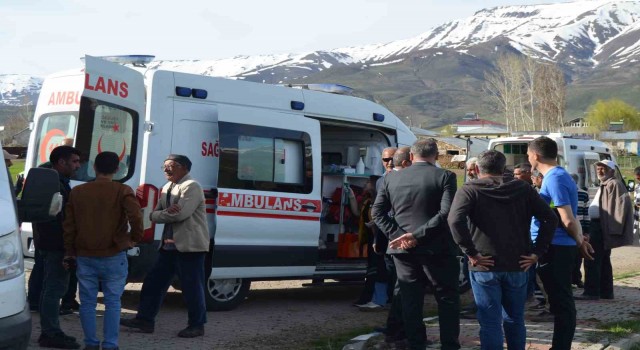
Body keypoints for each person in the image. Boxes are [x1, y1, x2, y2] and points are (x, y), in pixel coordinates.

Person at [448, 150, 557, 349]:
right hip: (518, 262)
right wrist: (537, 252)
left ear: (478, 168)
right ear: (503, 168)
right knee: (515, 319)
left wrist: (471, 252)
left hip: (484, 263)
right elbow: (550, 218)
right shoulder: (523, 189)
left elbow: (454, 220)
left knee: (490, 321)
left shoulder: (469, 189)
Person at [372, 139, 460, 350]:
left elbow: (377, 213)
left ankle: (416, 343)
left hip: (402, 249)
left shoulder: (390, 179)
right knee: (447, 298)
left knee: (411, 299)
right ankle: (449, 345)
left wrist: (399, 235)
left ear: (411, 157)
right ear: (436, 157)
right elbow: (445, 213)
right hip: (436, 246)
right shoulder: (446, 176)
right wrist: (417, 235)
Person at [120, 154, 209, 338]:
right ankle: (144, 320)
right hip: (168, 247)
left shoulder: (192, 186)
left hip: (189, 247)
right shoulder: (167, 187)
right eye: (165, 166)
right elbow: (154, 214)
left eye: (171, 166)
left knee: (192, 288)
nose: (166, 169)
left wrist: (162, 214)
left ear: (184, 167)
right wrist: (162, 214)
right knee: (153, 283)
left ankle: (197, 325)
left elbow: (180, 215)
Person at [63, 152, 144, 350]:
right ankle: (110, 344)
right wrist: (133, 239)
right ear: (117, 169)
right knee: (113, 302)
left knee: (88, 303)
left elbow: (69, 226)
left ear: (94, 168)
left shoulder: (78, 192)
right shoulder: (122, 190)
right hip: (114, 253)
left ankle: (90, 343)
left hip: (85, 254)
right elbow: (136, 217)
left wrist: (69, 251)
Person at [526, 136, 593, 349]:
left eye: (528, 155)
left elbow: (566, 217)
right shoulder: (555, 176)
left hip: (557, 247)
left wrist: (579, 241)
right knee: (558, 300)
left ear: (535, 155)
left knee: (562, 301)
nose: (528, 159)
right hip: (557, 245)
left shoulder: (555, 178)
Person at [33, 145, 81, 349]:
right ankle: (50, 333)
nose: (78, 166)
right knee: (54, 289)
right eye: (75, 161)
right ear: (61, 162)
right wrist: (68, 246)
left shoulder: (51, 179)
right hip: (57, 245)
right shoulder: (55, 184)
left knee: (51, 288)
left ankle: (50, 331)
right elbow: (59, 218)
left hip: (48, 242)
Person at [578, 160, 634, 300]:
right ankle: (605, 292)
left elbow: (619, 208)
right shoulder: (606, 184)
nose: (600, 171)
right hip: (599, 225)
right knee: (602, 260)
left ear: (612, 171)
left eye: (603, 168)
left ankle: (592, 292)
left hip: (602, 227)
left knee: (592, 258)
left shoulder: (613, 184)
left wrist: (613, 230)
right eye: (598, 168)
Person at [571, 173, 590, 289]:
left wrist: (586, 231)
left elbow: (586, 213)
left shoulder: (583, 194)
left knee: (578, 256)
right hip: (570, 228)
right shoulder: (565, 192)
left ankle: (577, 278)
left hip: (580, 228)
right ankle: (572, 278)